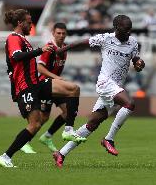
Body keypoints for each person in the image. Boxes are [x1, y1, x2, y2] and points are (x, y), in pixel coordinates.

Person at [52, 15, 145, 168]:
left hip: (115, 87)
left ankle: (60, 153)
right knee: (130, 104)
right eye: (125, 29)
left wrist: (140, 64)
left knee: (92, 124)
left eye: (130, 29)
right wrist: (63, 49)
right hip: (105, 83)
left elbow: (136, 62)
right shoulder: (106, 39)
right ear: (116, 28)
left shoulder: (133, 43)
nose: (128, 32)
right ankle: (109, 139)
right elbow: (83, 41)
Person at [0, 9, 86, 168]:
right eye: (29, 22)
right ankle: (6, 156)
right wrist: (40, 50)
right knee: (35, 124)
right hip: (24, 87)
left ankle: (68, 130)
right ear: (20, 23)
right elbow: (16, 57)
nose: (31, 26)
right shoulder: (13, 38)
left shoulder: (24, 40)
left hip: (35, 85)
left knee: (73, 89)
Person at [36, 22, 78, 152]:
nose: (61, 35)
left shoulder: (64, 49)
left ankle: (47, 136)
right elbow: (39, 67)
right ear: (53, 33)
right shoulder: (49, 47)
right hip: (45, 85)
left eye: (63, 33)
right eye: (58, 33)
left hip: (55, 86)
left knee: (67, 111)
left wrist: (56, 78)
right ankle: (26, 141)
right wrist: (55, 77)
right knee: (43, 118)